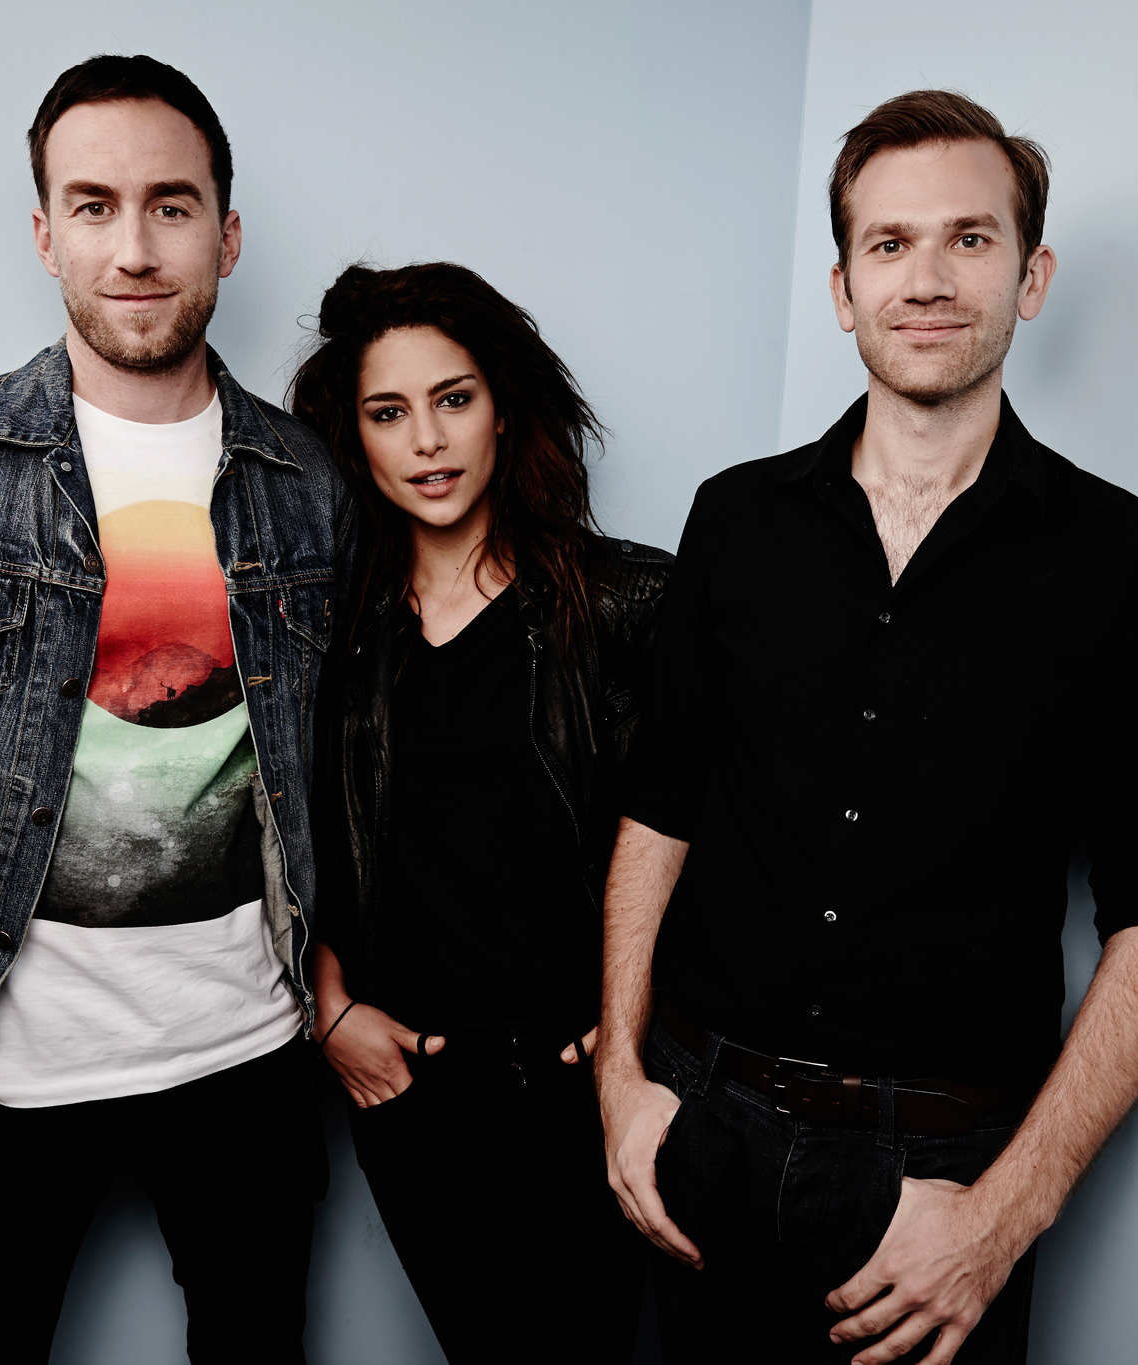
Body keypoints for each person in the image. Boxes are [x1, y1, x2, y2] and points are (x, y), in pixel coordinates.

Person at [596, 89, 1138, 1365]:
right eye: (887, 245)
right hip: (697, 1125)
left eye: (968, 238)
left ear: (1030, 273)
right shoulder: (734, 523)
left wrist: (1006, 1215)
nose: (927, 279)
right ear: (841, 288)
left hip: (936, 1185)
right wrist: (620, 1084)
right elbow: (658, 809)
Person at [0, 54, 351, 1364]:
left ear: (226, 232)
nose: (136, 246)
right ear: (45, 233)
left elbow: (348, 758)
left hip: (249, 1056)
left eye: (171, 205)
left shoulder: (313, 481)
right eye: (94, 206)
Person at [292, 262, 666, 1365]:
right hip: (415, 1093)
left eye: (452, 399)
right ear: (352, 437)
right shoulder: (324, 630)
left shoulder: (631, 605)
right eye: (387, 412)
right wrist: (326, 1007)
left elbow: (713, 836)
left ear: (502, 406)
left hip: (583, 1088)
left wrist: (640, 1030)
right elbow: (262, 819)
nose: (426, 441)